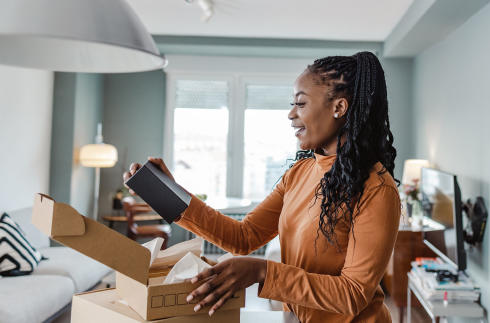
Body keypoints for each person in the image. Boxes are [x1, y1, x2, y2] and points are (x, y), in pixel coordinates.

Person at [123, 51, 401, 322]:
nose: (291, 114)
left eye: (301, 104)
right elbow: (244, 236)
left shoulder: (377, 190)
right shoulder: (300, 173)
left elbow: (353, 294)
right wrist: (169, 193)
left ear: (339, 107)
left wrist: (264, 272)